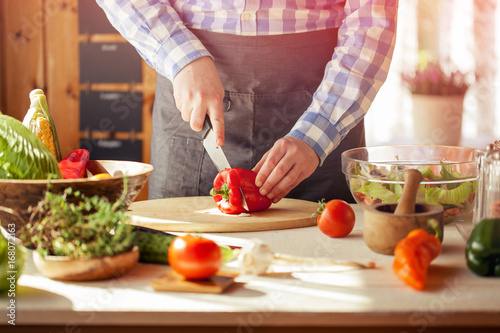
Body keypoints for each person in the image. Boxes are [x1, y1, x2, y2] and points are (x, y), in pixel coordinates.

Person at [96, 0, 398, 203]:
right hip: (188, 89)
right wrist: (179, 56)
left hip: (328, 103)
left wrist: (318, 133)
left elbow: (373, 19)